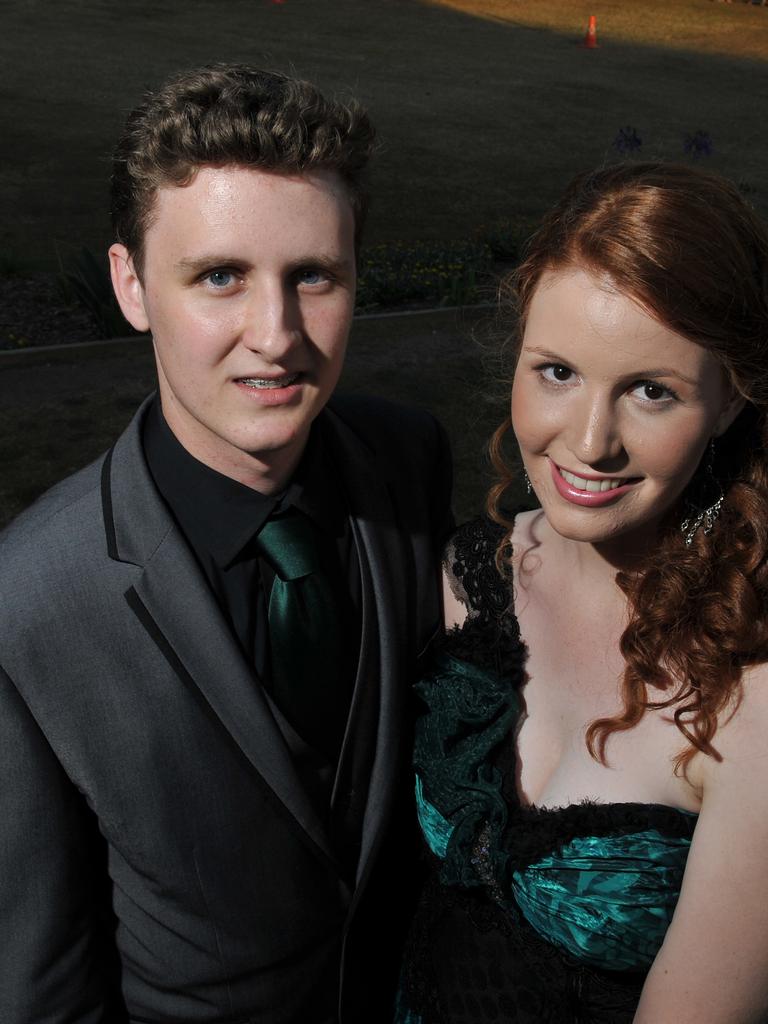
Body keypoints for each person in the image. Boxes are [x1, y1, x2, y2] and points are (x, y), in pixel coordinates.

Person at [0, 64, 453, 1023]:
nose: (277, 334)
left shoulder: (411, 462)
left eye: (314, 277)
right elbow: (41, 984)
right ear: (130, 286)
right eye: (219, 277)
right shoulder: (29, 604)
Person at [396, 162, 768, 1023]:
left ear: (729, 401)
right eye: (556, 372)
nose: (590, 443)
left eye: (651, 391)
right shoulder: (469, 577)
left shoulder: (751, 689)